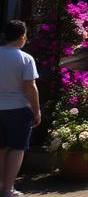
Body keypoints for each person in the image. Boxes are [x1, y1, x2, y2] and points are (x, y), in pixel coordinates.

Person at [0, 19, 40, 197]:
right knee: (17, 148)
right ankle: (8, 188)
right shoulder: (25, 58)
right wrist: (36, 110)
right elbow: (30, 86)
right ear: (23, 37)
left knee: (0, 148)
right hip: (18, 108)